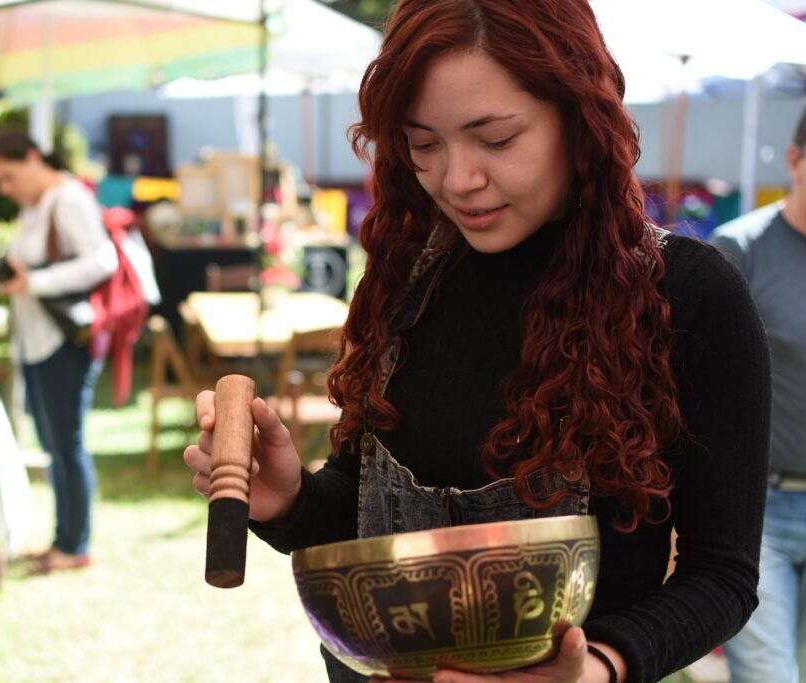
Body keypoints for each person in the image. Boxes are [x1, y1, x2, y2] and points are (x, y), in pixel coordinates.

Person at [183, 1, 773, 682]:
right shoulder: (407, 276)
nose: (458, 180)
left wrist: (600, 664)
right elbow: (371, 520)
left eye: (495, 139)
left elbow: (723, 575)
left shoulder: (687, 295)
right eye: (424, 143)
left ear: (580, 118)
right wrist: (289, 500)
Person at [0, 128, 117, 573]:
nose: (5, 189)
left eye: (8, 176)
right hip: (37, 341)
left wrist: (36, 282)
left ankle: (75, 545)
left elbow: (102, 261)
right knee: (55, 445)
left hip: (63, 342)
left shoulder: (69, 199)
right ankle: (64, 539)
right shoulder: (35, 205)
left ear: (33, 158)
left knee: (66, 444)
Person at [710, 104, 806, 683]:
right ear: (794, 160)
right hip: (759, 511)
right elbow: (696, 386)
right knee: (770, 676)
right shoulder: (739, 250)